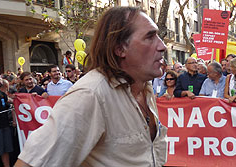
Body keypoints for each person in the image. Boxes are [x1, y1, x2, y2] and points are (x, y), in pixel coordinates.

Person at [15, 7, 168, 166]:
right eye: (150, 37)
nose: (162, 46)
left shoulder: (145, 88)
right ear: (120, 48)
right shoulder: (90, 94)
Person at [0, 72, 13, 167]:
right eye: (0, 77)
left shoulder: (1, 93)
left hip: (5, 126)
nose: (1, 78)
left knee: (6, 150)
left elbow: (11, 100)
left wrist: (28, 98)